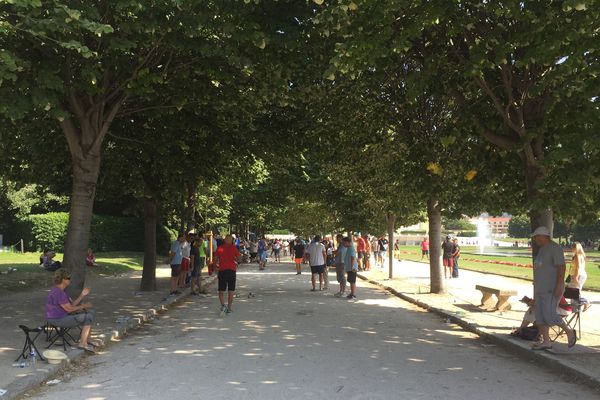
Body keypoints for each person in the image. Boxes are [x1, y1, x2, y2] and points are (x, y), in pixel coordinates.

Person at [530, 226, 576, 350]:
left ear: (544, 236)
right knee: (540, 316)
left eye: (537, 236)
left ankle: (569, 331)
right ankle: (546, 341)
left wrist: (559, 286)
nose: (535, 239)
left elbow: (561, 268)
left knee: (549, 315)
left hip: (551, 288)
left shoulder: (555, 249)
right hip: (541, 288)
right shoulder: (542, 249)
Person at [46, 268, 101, 353]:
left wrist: (82, 295)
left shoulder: (62, 291)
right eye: (68, 278)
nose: (70, 280)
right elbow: (69, 309)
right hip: (57, 319)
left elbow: (71, 306)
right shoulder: (58, 292)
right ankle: (82, 344)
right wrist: (83, 306)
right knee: (88, 317)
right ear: (63, 279)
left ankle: (87, 339)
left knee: (91, 312)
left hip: (63, 316)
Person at [215, 234, 241, 316]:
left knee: (221, 290)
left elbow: (215, 259)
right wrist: (236, 261)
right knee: (231, 290)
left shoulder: (220, 248)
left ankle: (223, 306)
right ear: (231, 240)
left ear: (225, 240)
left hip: (223, 270)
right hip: (232, 270)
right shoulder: (234, 248)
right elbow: (239, 258)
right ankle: (229, 308)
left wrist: (215, 267)